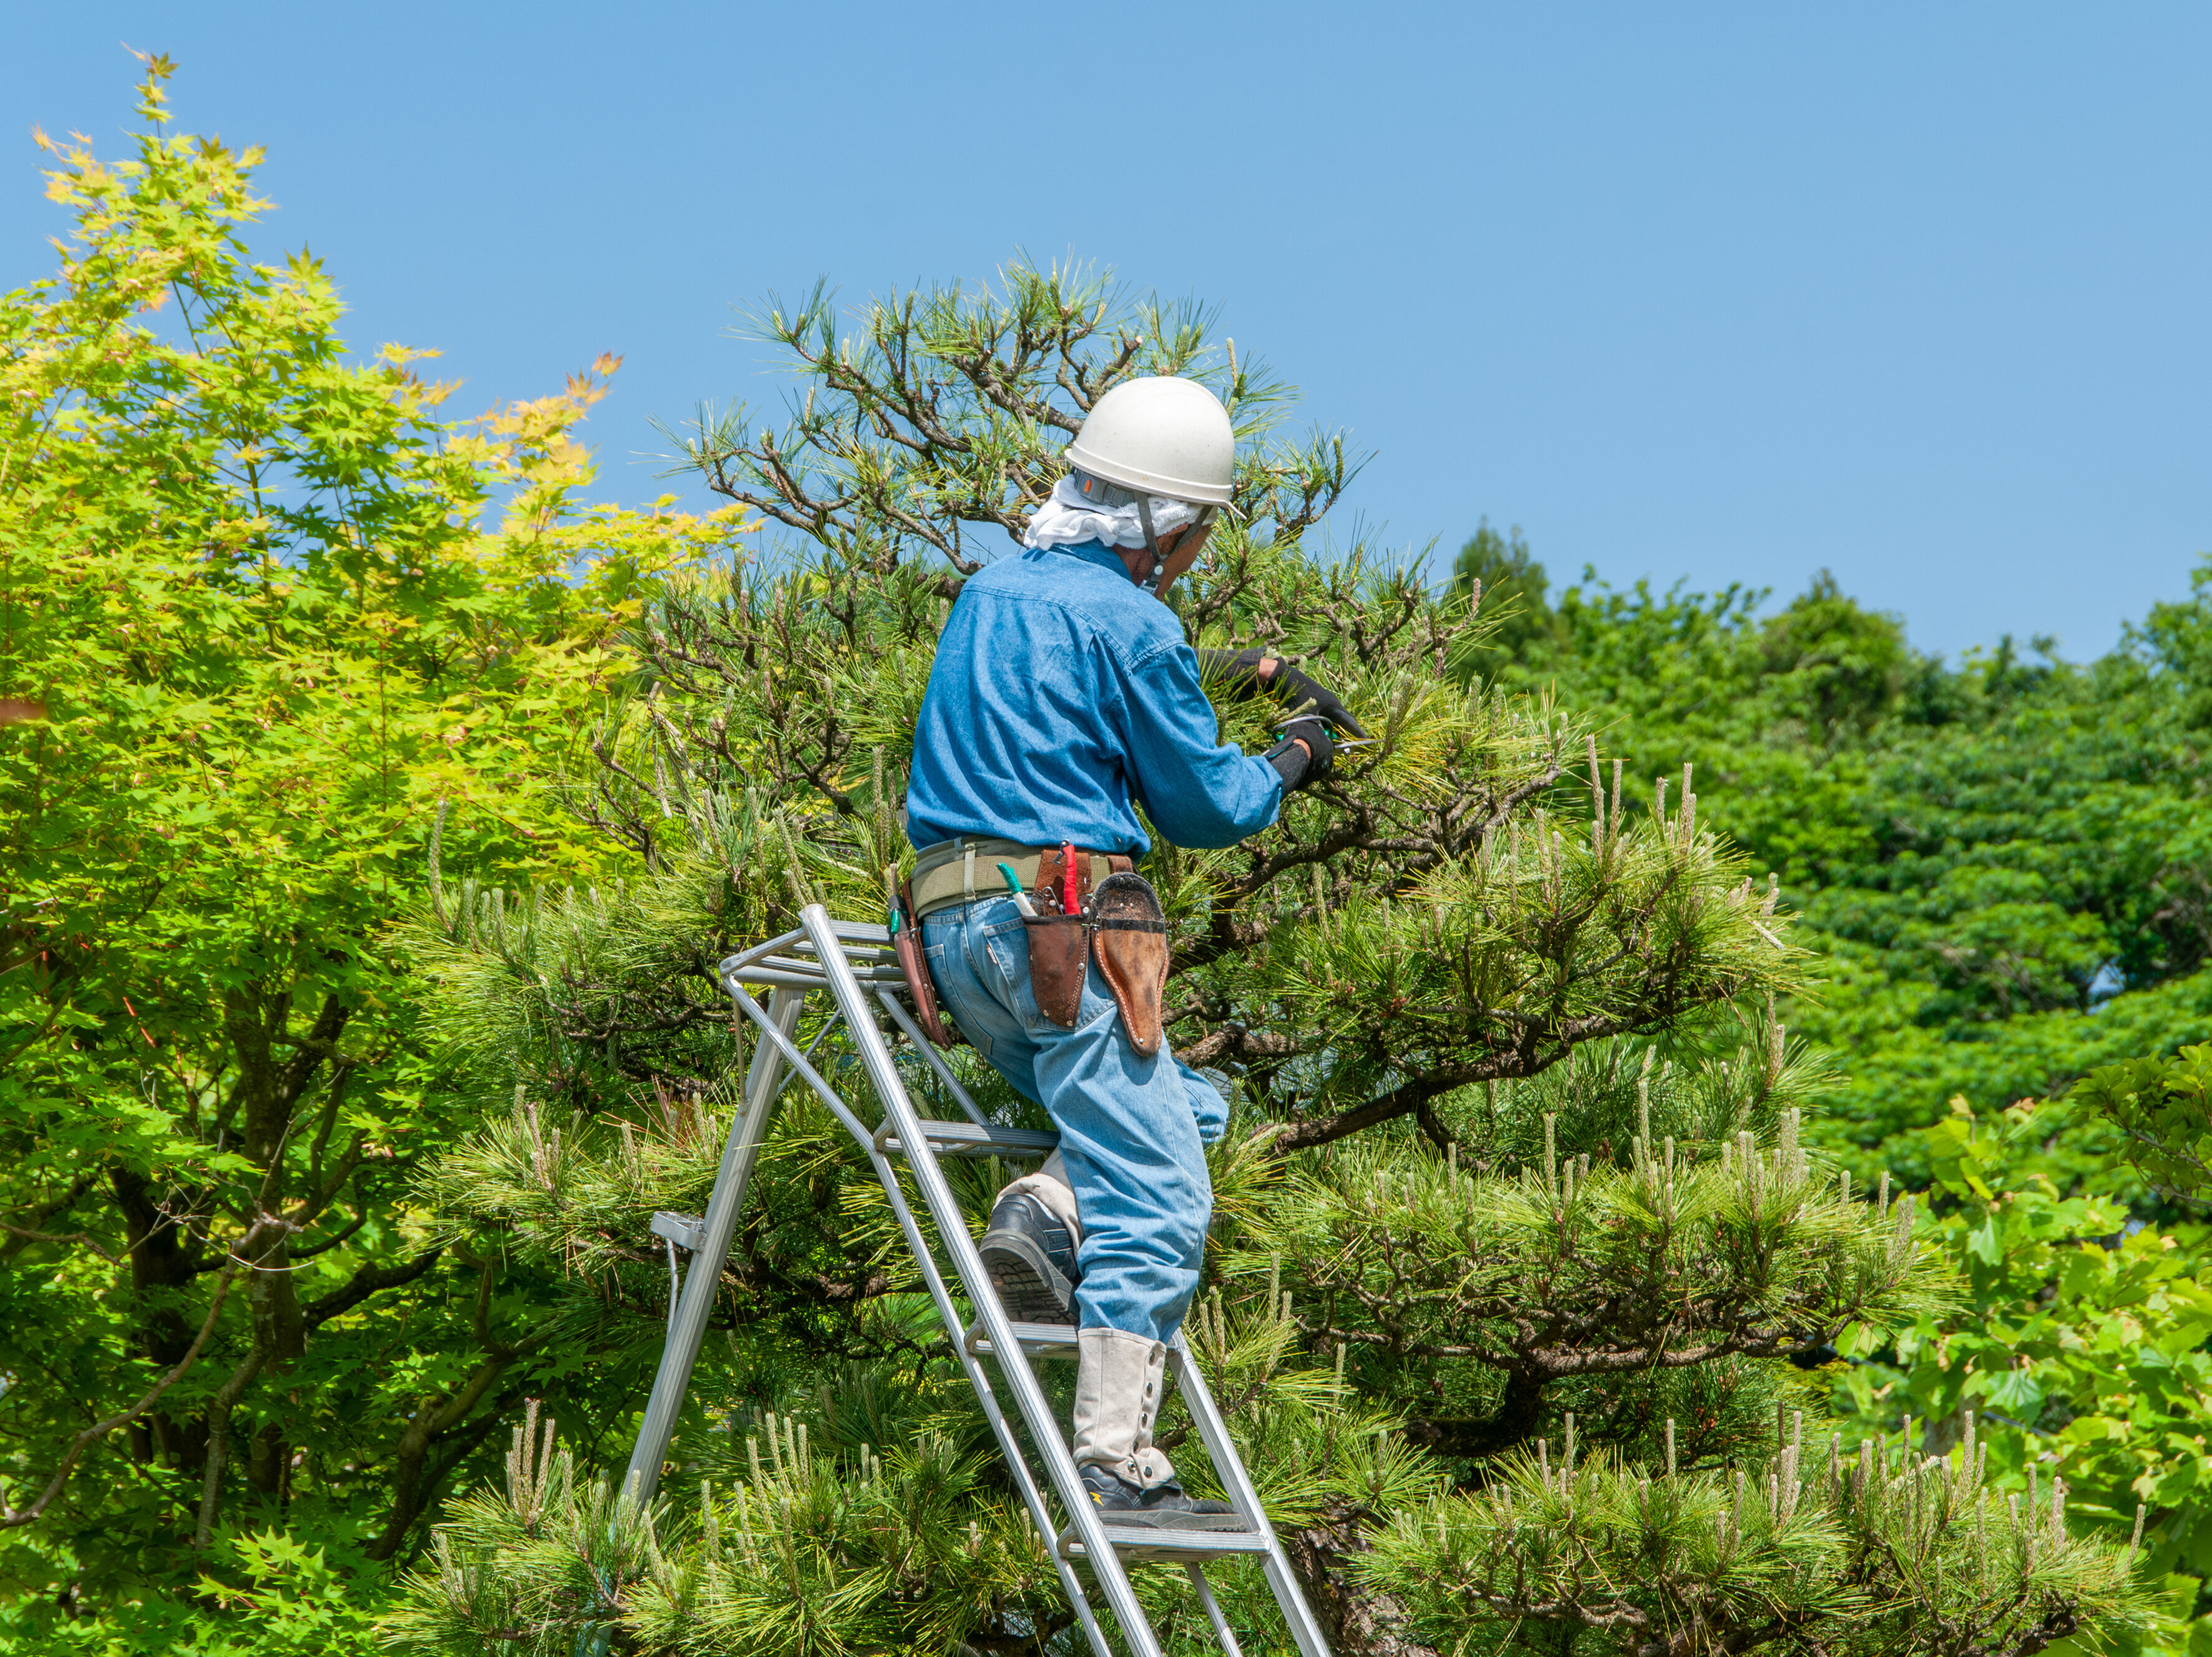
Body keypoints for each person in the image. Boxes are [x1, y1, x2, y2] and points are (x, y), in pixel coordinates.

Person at [901, 375, 1362, 1531]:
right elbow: (1208, 804)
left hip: (957, 946)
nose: (1195, 554)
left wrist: (1240, 665)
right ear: (1163, 524)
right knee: (1160, 1186)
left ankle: (1047, 1211)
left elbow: (1078, 669)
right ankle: (1115, 1460)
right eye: (1198, 534)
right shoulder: (1137, 622)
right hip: (1061, 943)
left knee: (1187, 1109)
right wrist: (1296, 751)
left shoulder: (992, 590)